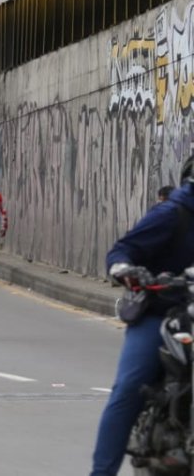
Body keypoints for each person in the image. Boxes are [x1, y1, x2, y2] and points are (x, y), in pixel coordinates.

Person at [91, 155, 194, 475]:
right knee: (129, 387)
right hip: (162, 314)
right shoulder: (172, 215)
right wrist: (125, 269)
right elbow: (123, 250)